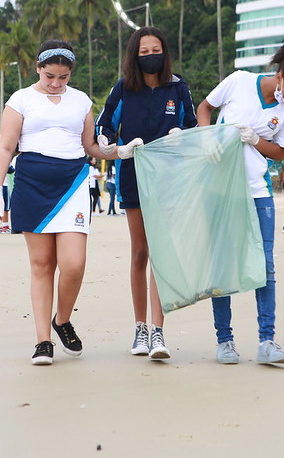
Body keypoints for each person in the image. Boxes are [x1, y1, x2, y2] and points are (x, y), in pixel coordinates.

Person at [0, 40, 133, 365]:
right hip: (31, 182)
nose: (55, 83)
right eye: (49, 75)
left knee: (74, 264)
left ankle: (62, 319)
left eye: (63, 77)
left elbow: (90, 145)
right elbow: (6, 147)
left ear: (70, 74)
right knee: (41, 265)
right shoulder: (20, 100)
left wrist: (116, 151)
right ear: (37, 68)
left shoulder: (81, 100)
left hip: (73, 182)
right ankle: (43, 341)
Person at [196, 38, 284, 365]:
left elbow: (279, 152)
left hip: (257, 190)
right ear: (280, 76)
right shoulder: (238, 81)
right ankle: (225, 341)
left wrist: (255, 139)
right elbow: (204, 108)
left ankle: (267, 341)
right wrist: (208, 138)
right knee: (222, 265)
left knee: (265, 266)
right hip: (219, 187)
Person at [95, 27, 197, 360]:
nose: (150, 55)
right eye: (143, 51)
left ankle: (158, 331)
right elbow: (105, 125)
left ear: (164, 52)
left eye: (155, 49)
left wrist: (183, 134)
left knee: (161, 254)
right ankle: (140, 328)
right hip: (133, 173)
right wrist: (115, 147)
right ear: (134, 56)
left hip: (169, 177)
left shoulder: (177, 87)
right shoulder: (124, 88)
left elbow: (193, 125)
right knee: (140, 252)